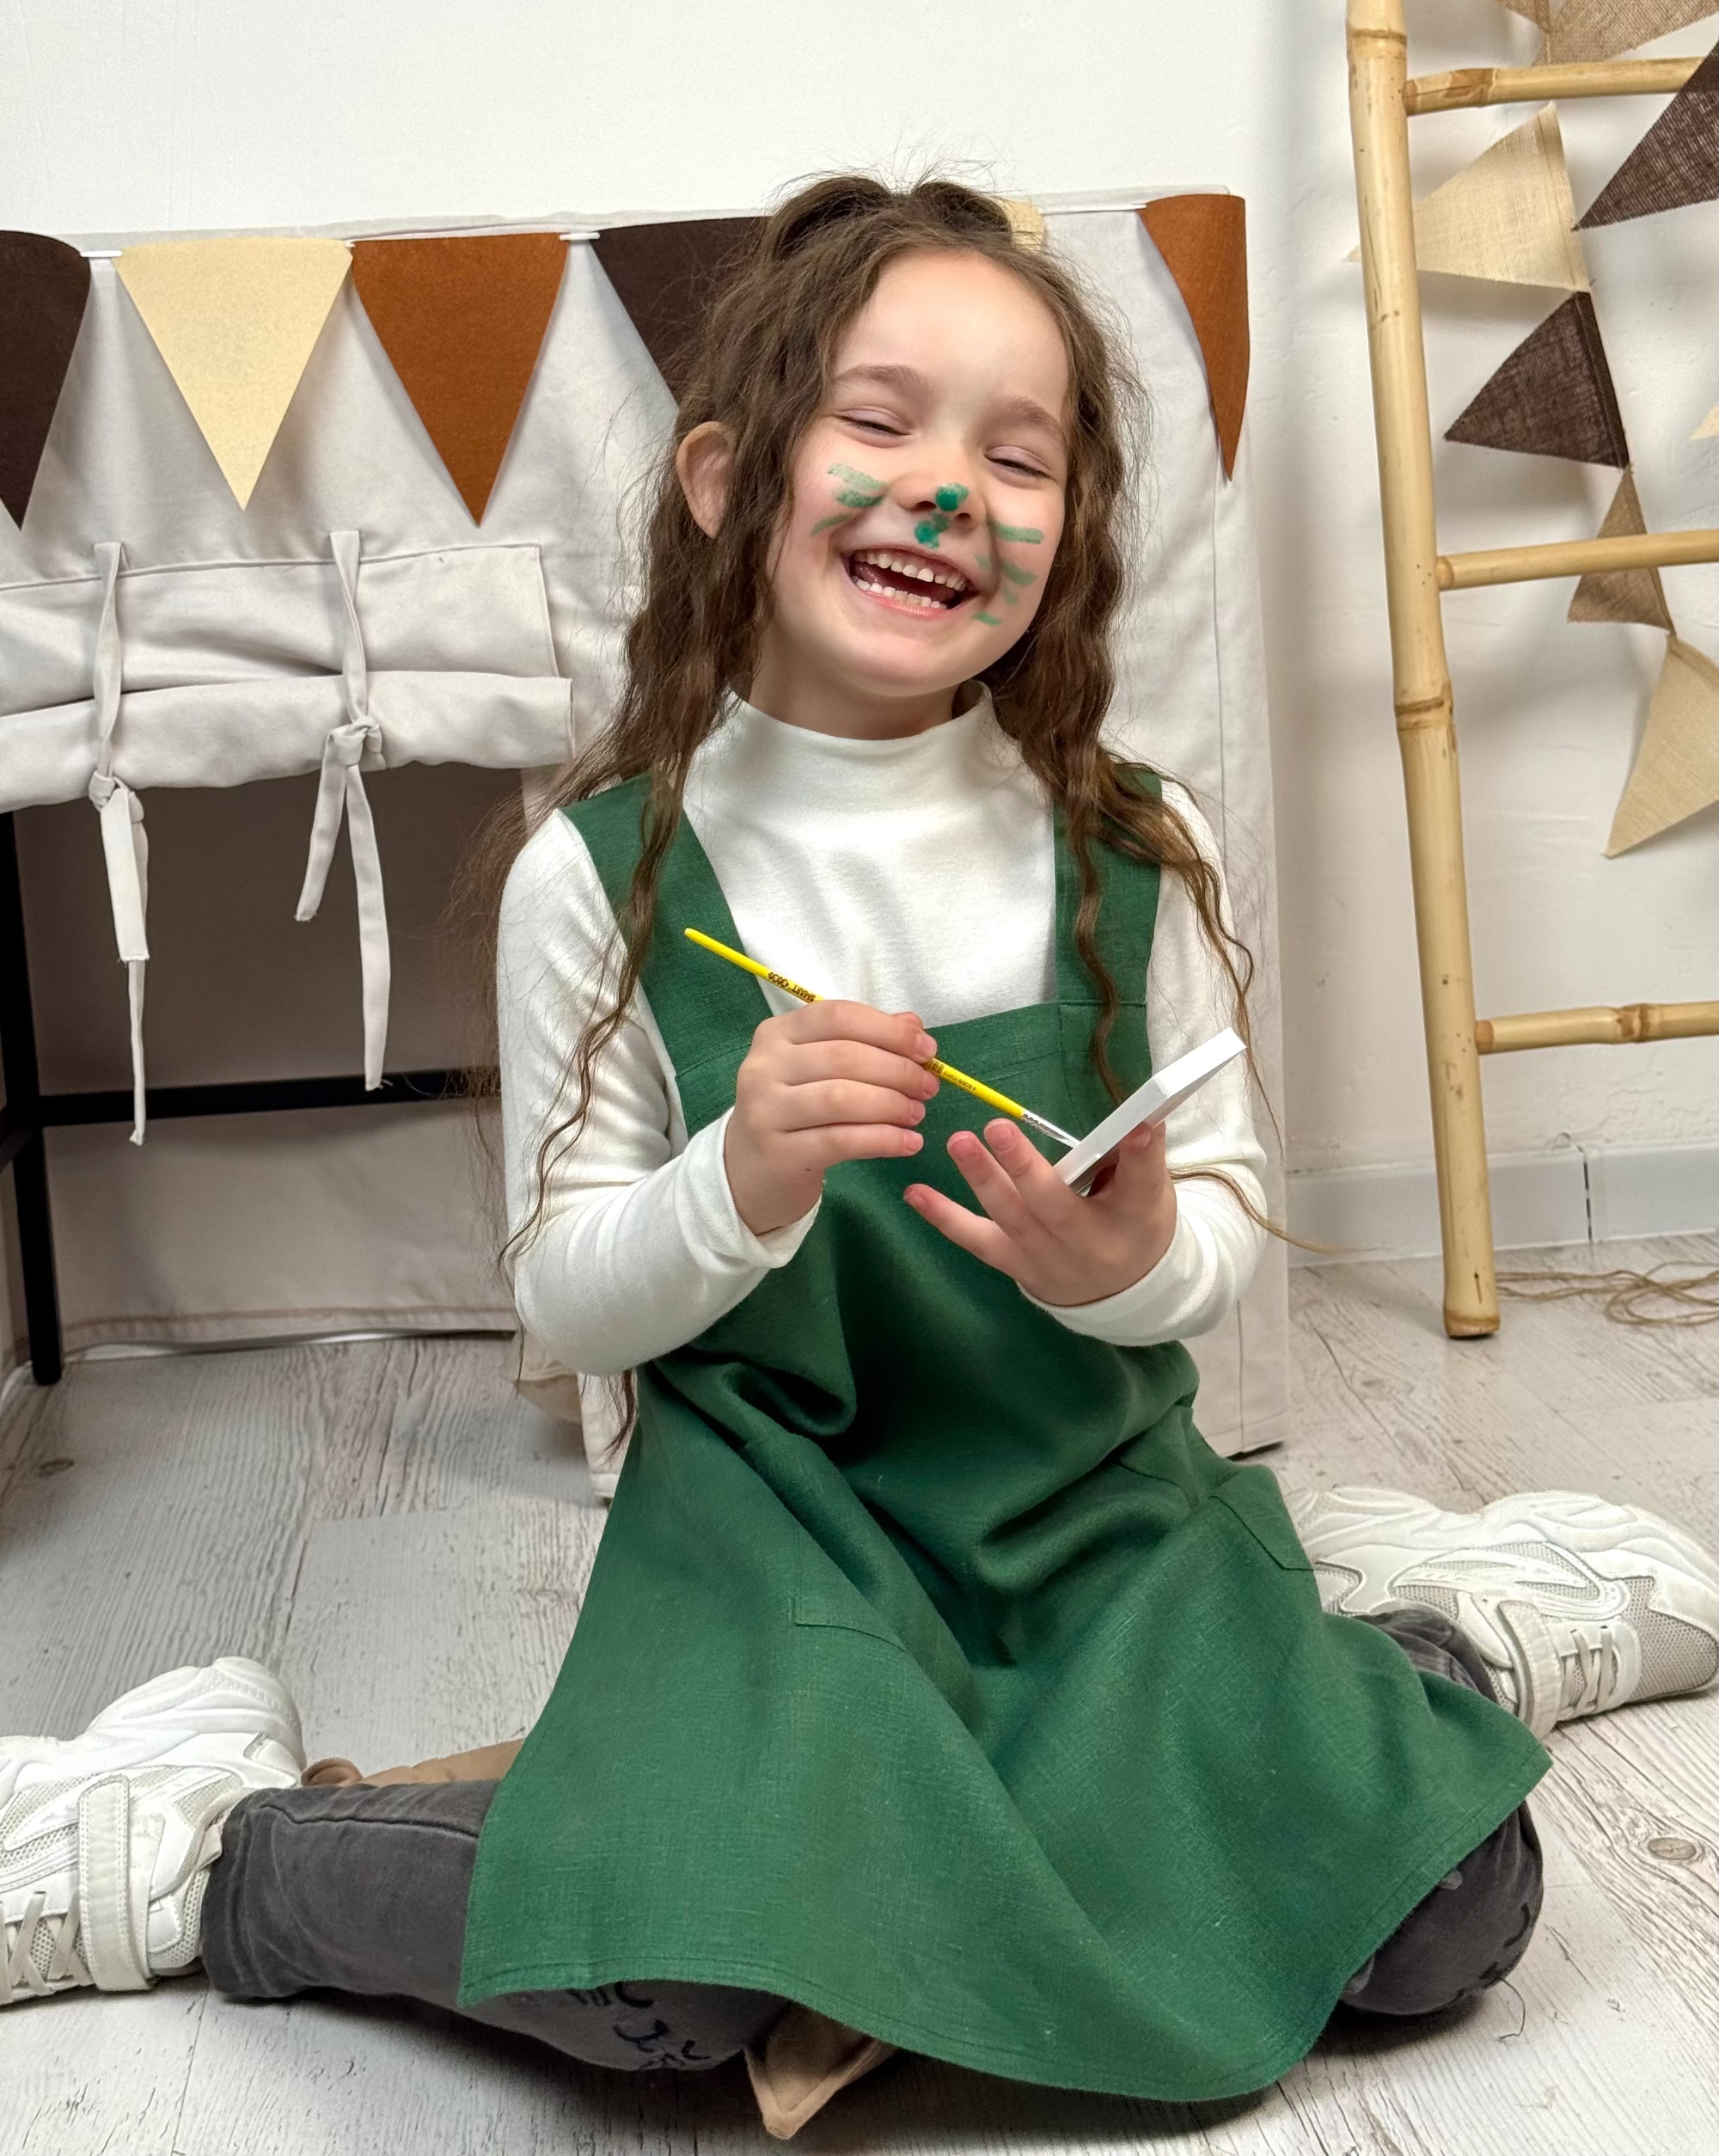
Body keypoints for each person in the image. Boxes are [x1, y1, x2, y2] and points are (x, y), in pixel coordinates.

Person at [6, 177, 1718, 2130]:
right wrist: (732, 1185)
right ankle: (195, 1849)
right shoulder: (606, 874)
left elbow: (1227, 1202)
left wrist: (1128, 1271)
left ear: (1065, 537)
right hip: (783, 1549)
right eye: (880, 424)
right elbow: (566, 1292)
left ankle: (1428, 1639)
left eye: (1019, 455)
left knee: (1449, 1912)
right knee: (673, 1987)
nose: (950, 494)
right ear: (734, 480)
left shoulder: (1130, 847)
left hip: (1086, 1529)